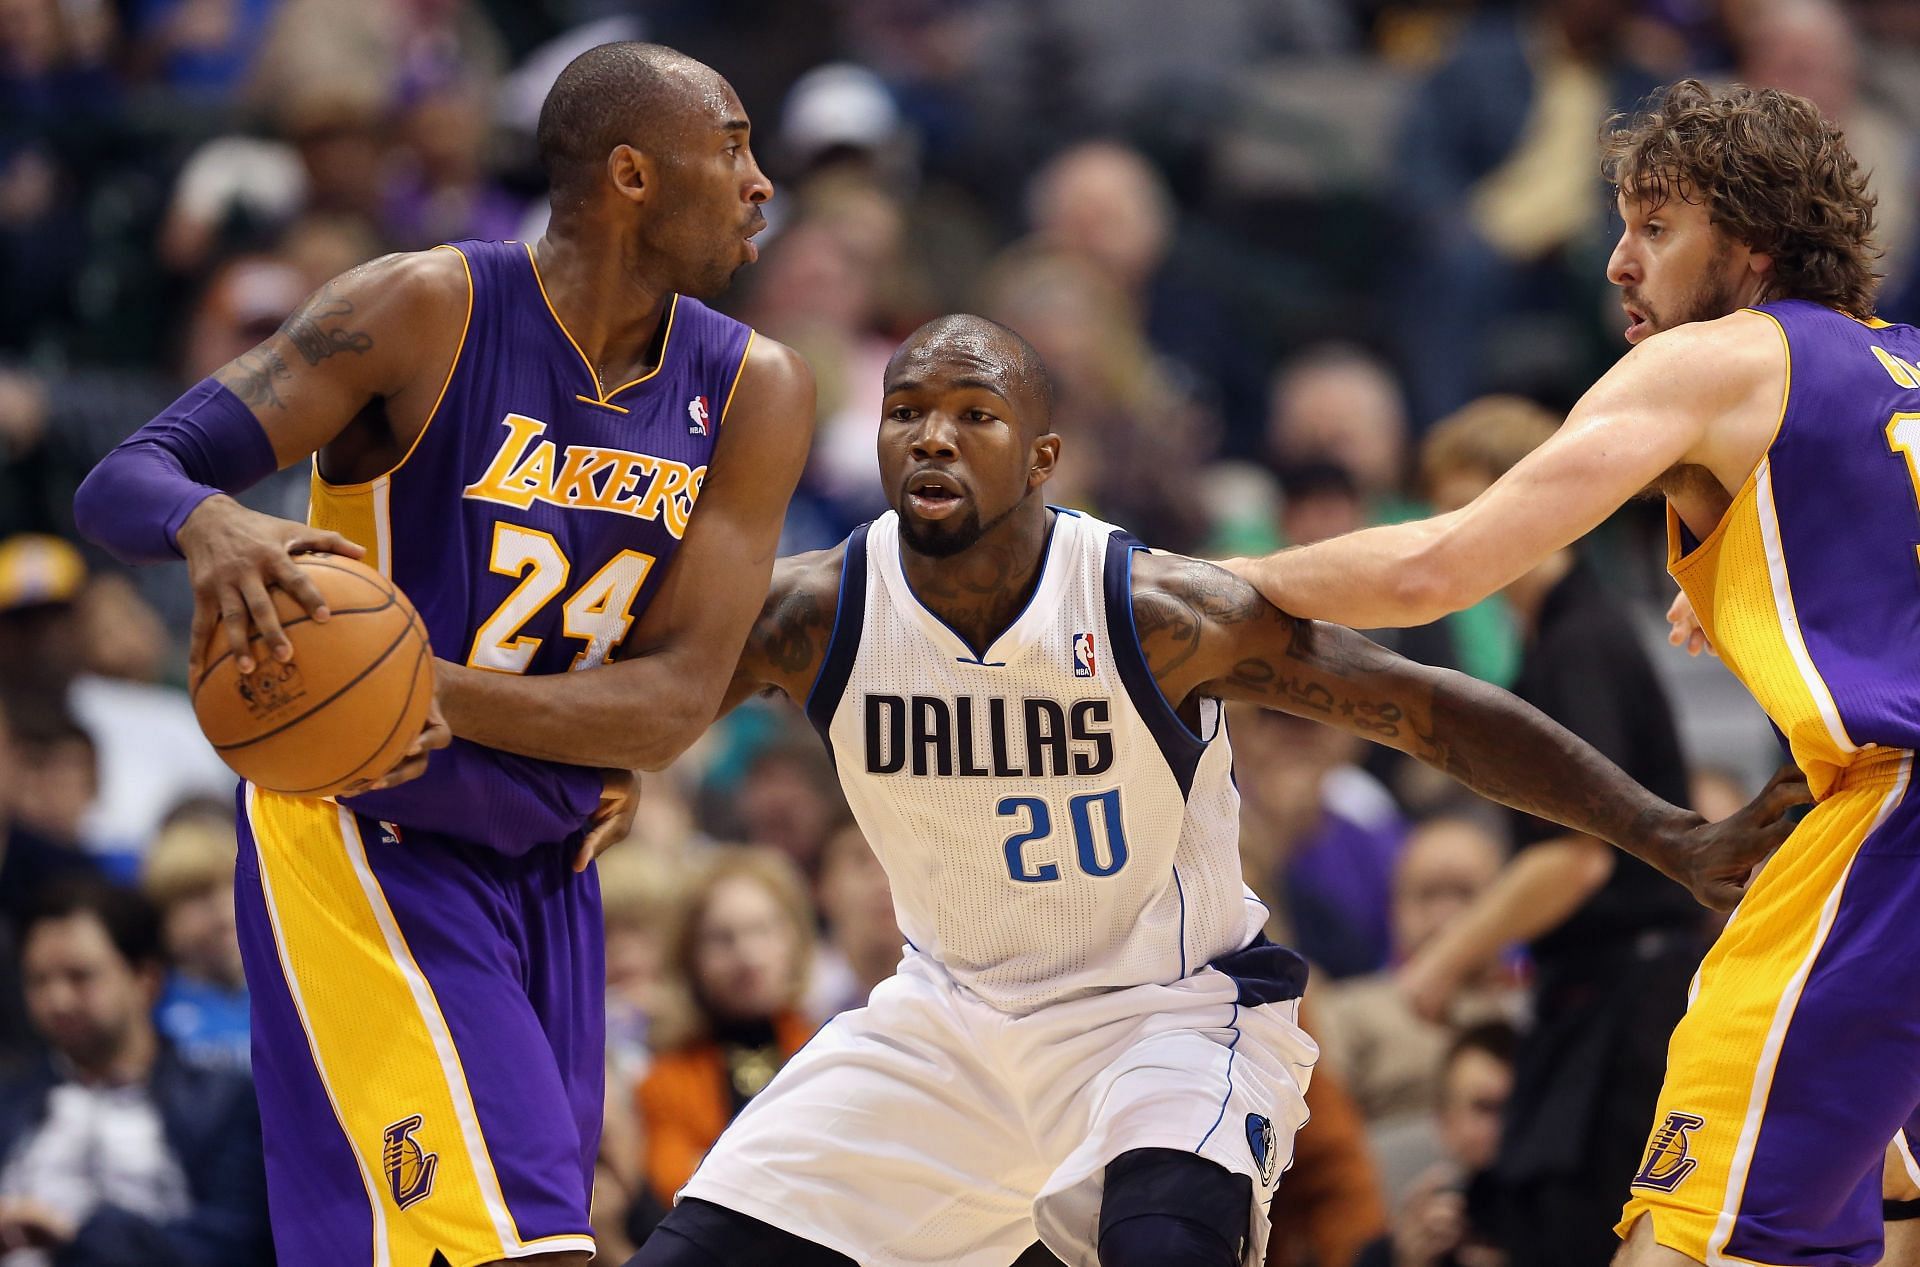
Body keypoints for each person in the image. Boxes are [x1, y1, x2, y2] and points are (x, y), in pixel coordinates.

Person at [437, 313, 1799, 1267]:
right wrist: (584, 766)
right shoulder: (815, 609)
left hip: (1166, 1017)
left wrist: (1669, 833)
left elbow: (1426, 708)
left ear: (1043, 457)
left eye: (975, 413)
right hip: (944, 1021)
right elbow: (647, 702)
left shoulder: (1153, 607)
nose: (932, 436)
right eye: (908, 408)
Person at [71, 40, 815, 1267]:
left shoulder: (756, 390)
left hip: (552, 859)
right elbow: (127, 477)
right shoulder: (419, 309)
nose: (760, 181)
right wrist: (210, 521)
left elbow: (674, 703)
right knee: (526, 1249)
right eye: (732, 145)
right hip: (366, 829)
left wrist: (416, 685)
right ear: (631, 174)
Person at [1228, 78, 1920, 1267]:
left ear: (1751, 244)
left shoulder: (1716, 363)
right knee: (1881, 1198)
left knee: (1687, 1234)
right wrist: (1741, 586)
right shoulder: (1898, 362)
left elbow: (1430, 568)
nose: (1617, 261)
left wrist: (1188, 580)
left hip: (1892, 834)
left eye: (1658, 225)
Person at [1399, 395, 1711, 1266]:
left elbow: (1577, 858)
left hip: (1629, 1002)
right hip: (1600, 990)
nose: (1455, 537)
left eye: (1474, 510)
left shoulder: (1580, 643)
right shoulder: (1551, 642)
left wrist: (1446, 954)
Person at [0, 877, 272, 1265]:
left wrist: (81, 1238)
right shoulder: (9, 1104)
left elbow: (235, 1245)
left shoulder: (224, 1104)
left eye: (80, 977)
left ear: (146, 979)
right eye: (38, 981)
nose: (56, 1000)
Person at [636, 848, 816, 1210]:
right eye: (722, 938)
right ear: (690, 957)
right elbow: (675, 1188)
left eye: (762, 930)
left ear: (795, 940)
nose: (747, 956)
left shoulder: (830, 1047)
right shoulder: (664, 1080)